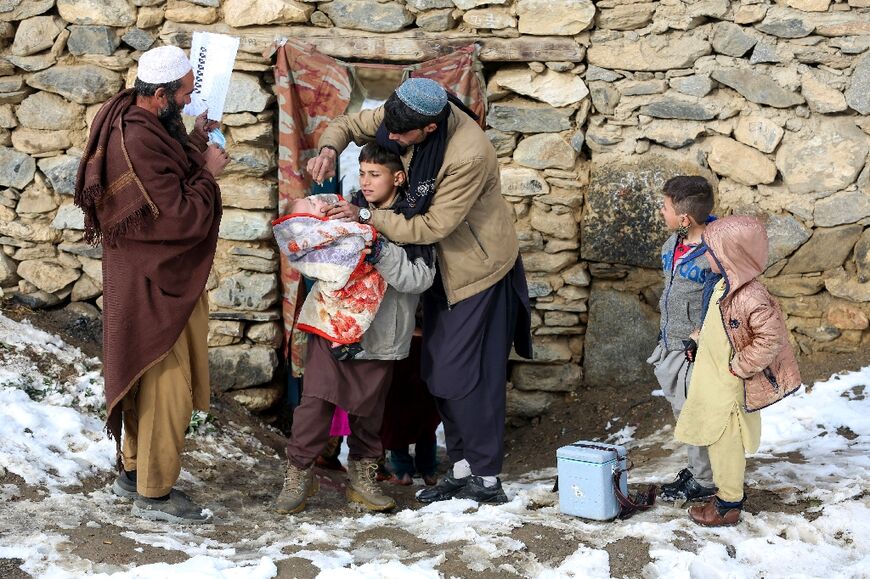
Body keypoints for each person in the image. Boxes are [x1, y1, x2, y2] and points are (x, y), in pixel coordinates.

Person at [308, 77, 532, 505]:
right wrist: (329, 148)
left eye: (400, 136)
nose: (389, 139)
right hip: (434, 266)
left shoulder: (468, 154)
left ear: (429, 130)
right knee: (438, 372)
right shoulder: (406, 112)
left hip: (475, 271)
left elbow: (433, 226)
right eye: (388, 129)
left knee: (470, 377)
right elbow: (350, 124)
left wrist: (365, 216)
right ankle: (463, 468)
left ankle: (486, 478)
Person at [74, 45, 229, 523]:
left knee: (147, 375)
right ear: (159, 93)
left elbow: (169, 166)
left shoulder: (139, 114)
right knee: (167, 384)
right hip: (153, 280)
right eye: (183, 95)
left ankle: (133, 472)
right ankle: (155, 492)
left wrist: (195, 140)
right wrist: (207, 172)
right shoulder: (137, 140)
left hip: (145, 272)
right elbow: (177, 217)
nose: (189, 101)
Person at [276, 143, 436, 514]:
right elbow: (312, 251)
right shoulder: (342, 208)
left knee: (370, 412)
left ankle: (362, 481)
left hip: (381, 335)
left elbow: (419, 279)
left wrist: (378, 249)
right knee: (315, 402)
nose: (365, 182)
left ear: (398, 178)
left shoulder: (415, 222)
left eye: (375, 174)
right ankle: (298, 473)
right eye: (362, 172)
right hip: (332, 324)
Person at [675, 215, 801, 526]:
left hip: (729, 385)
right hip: (713, 379)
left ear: (731, 256)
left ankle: (729, 502)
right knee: (717, 440)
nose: (706, 257)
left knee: (725, 441)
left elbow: (770, 337)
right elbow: (720, 327)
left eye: (712, 251)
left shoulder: (750, 295)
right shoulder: (723, 286)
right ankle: (724, 491)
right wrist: (698, 341)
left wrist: (739, 367)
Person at [646, 176, 718, 502]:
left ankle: (706, 481)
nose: (661, 212)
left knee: (694, 414)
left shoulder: (715, 255)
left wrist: (700, 336)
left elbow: (723, 302)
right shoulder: (673, 245)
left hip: (695, 351)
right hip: (670, 343)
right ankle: (699, 468)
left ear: (684, 218)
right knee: (682, 411)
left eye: (665, 207)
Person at [274, 194, 386, 360]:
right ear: (309, 221)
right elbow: (344, 240)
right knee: (353, 303)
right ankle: (341, 342)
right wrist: (362, 235)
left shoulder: (329, 221)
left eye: (311, 199)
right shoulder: (319, 232)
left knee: (344, 306)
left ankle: (341, 341)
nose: (316, 200)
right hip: (339, 278)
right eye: (312, 204)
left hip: (345, 276)